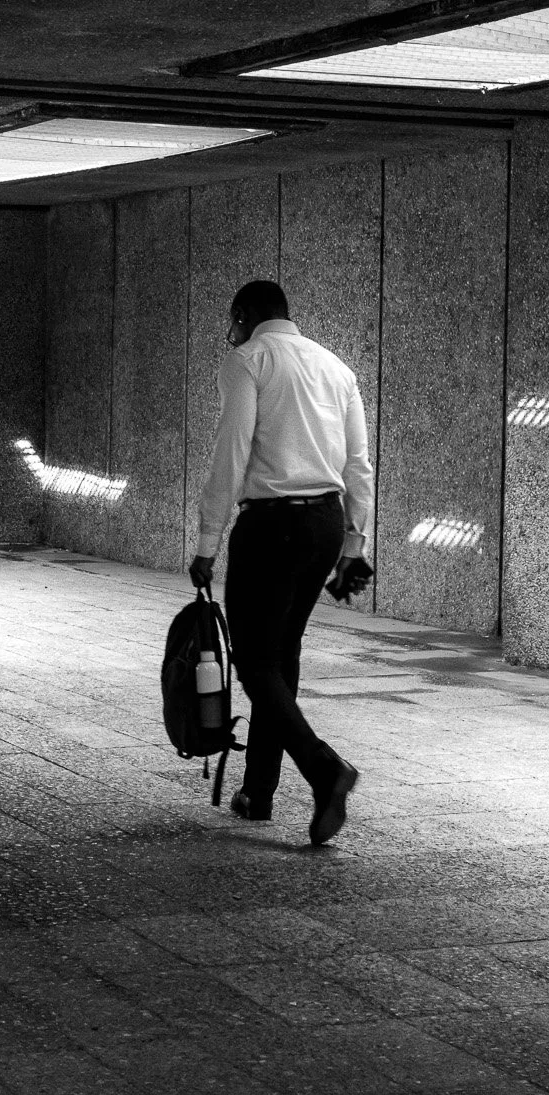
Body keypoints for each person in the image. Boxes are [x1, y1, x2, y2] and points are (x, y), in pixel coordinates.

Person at [189, 280, 374, 846]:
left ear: (244, 316)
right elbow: (360, 464)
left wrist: (207, 542)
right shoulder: (336, 367)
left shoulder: (247, 361)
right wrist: (354, 545)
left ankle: (324, 771)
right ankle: (259, 793)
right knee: (279, 657)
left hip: (270, 525)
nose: (232, 331)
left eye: (233, 320)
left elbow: (233, 448)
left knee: (253, 662)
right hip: (323, 523)